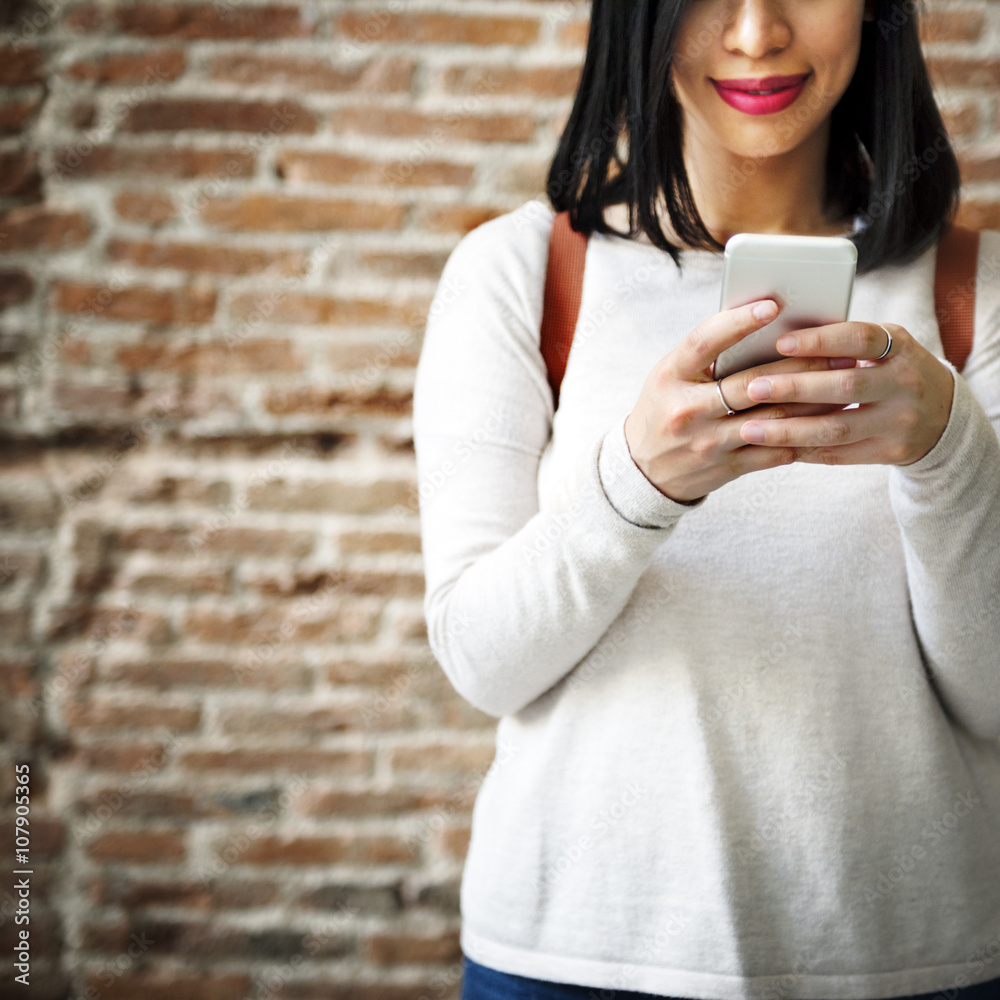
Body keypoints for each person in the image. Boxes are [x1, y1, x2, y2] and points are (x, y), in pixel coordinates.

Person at [412, 0, 1000, 997]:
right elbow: (482, 660)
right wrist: (634, 478)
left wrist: (949, 451)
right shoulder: (519, 274)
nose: (756, 33)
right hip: (573, 957)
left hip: (912, 960)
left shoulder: (971, 294)